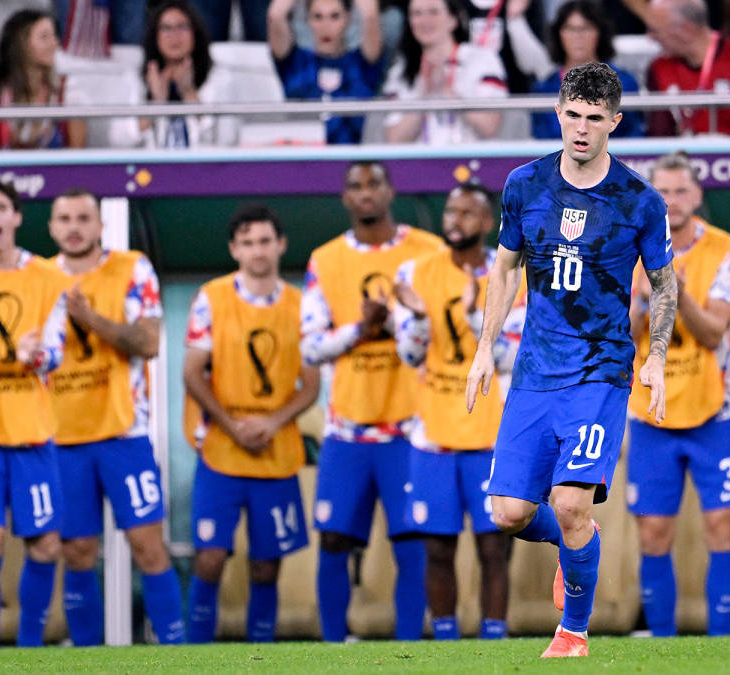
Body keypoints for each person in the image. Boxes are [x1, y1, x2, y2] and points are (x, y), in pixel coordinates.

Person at [465, 61, 677, 658]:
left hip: (601, 371)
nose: (581, 129)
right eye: (572, 116)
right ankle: (571, 543)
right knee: (507, 512)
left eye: (594, 119)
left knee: (569, 501)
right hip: (535, 372)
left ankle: (574, 633)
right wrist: (485, 349)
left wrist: (655, 359)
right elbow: (505, 268)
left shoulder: (640, 200)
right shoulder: (524, 186)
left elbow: (664, 285)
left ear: (614, 121)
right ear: (559, 114)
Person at [301, 161, 443, 642]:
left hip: (411, 427)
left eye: (374, 184)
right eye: (355, 186)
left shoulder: (428, 252)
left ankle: (409, 652)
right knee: (334, 539)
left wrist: (398, 323)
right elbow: (310, 346)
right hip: (347, 430)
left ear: (391, 191)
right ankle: (332, 650)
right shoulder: (325, 259)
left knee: (411, 543)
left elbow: (440, 331)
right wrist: (360, 330)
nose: (365, 193)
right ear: (345, 197)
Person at [44, 189, 185, 647]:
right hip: (62, 437)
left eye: (83, 217)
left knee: (148, 545)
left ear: (101, 225)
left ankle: (176, 652)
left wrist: (90, 318)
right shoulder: (39, 278)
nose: (74, 226)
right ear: (51, 228)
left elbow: (148, 343)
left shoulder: (132, 268)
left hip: (125, 433)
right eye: (64, 217)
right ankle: (88, 656)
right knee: (77, 550)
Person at [182, 204, 320, 643]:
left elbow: (311, 385)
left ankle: (262, 656)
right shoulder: (212, 297)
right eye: (247, 242)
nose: (257, 251)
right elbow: (191, 371)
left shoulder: (302, 305)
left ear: (280, 245)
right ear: (233, 249)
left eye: (264, 241)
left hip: (276, 453)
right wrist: (233, 424)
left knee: (267, 562)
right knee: (209, 557)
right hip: (222, 451)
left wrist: (272, 422)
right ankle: (192, 652)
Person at [392, 183, 524, 641]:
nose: (455, 220)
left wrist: (473, 316)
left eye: (468, 213)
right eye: (450, 211)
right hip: (433, 432)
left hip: (492, 432)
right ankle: (445, 643)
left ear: (489, 223)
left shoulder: (514, 274)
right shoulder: (416, 272)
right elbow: (408, 355)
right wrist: (422, 319)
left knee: (493, 546)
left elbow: (515, 357)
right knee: (438, 548)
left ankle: (493, 640)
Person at [627, 151, 730, 637]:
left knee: (722, 526)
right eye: (662, 192)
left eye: (680, 191)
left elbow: (715, 333)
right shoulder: (627, 249)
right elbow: (622, 333)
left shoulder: (726, 249)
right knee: (653, 533)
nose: (671, 201)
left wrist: (677, 293)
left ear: (697, 196)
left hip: (714, 410)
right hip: (650, 412)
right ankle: (661, 648)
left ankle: (720, 649)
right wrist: (644, 299)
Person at [0, 179, 69, 648]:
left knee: (46, 545)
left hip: (32, 433)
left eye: (0, 207)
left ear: (15, 217)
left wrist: (37, 357)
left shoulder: (48, 277)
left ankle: (30, 652)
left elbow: (58, 351)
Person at [109, 0, 240, 148]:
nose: (174, 35)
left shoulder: (221, 79)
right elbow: (118, 141)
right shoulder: (134, 79)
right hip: (149, 169)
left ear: (195, 32)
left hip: (204, 169)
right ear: (154, 36)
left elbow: (227, 141)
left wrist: (189, 94)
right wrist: (156, 104)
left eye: (182, 27)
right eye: (166, 28)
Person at [645, 0, 730, 136]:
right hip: (680, 155)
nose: (650, 37)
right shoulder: (658, 68)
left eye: (655, 31)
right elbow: (659, 134)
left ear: (685, 30)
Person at [382, 0, 507, 144]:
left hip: (471, 162)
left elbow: (489, 127)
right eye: (416, 13)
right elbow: (394, 139)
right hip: (419, 163)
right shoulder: (401, 70)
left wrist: (448, 91)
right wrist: (424, 95)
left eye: (433, 12)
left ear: (453, 20)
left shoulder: (482, 60)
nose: (425, 21)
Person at [269, 0, 385, 144]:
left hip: (349, 161)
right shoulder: (296, 62)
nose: (326, 26)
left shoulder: (361, 64)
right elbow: (276, 15)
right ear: (307, 20)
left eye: (335, 16)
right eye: (317, 17)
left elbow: (370, 15)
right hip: (302, 159)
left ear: (348, 19)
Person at [526, 0, 644, 139]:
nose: (578, 36)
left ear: (599, 33)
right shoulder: (544, 89)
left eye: (586, 28)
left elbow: (634, 134)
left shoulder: (624, 83)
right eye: (570, 29)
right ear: (559, 34)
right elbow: (541, 140)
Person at [0, 10, 86, 150]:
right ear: (21, 44)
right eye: (45, 37)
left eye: (54, 36)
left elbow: (78, 159)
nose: (54, 44)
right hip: (6, 172)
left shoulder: (68, 91)